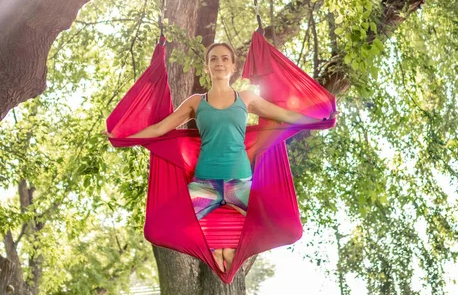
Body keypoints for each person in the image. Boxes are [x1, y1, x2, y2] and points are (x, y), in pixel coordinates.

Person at [111, 42, 318, 272]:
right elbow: (160, 128)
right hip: (205, 185)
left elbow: (285, 114)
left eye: (224, 59)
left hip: (238, 184)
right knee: (157, 228)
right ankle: (215, 251)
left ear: (233, 66)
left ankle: (232, 252)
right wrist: (124, 138)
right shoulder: (196, 102)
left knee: (286, 226)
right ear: (207, 66)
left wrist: (318, 119)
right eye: (214, 59)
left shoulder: (246, 98)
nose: (219, 63)